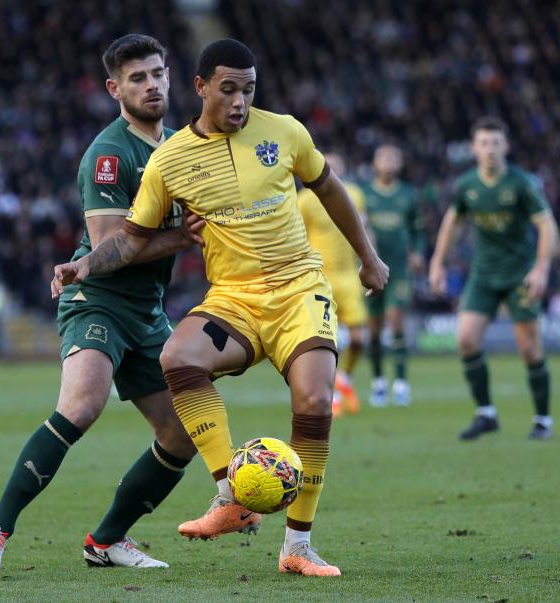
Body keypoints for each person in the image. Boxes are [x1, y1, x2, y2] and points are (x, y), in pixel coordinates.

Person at [53, 39, 388, 577]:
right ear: (201, 87)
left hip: (300, 290)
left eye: (248, 90)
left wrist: (368, 258)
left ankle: (297, 548)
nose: (239, 101)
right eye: (228, 89)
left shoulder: (284, 131)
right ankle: (229, 495)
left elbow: (330, 188)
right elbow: (133, 238)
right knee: (178, 358)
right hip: (233, 298)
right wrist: (85, 265)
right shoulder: (171, 159)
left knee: (315, 400)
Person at [0, 34, 203, 578]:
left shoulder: (180, 150)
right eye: (137, 77)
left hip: (147, 310)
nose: (150, 84)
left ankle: (107, 541)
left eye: (157, 73)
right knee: (82, 404)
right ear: (114, 88)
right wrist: (182, 238)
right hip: (96, 297)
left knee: (181, 435)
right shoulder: (109, 152)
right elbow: (109, 247)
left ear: (170, 77)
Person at [428, 117, 559, 441]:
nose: (489, 149)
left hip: (519, 275)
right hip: (483, 275)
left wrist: (541, 268)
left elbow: (547, 225)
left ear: (506, 146)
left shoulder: (522, 184)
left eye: (496, 143)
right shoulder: (467, 185)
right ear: (473, 148)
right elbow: (452, 223)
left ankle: (543, 420)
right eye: (484, 143)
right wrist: (437, 263)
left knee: (529, 349)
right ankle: (486, 413)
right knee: (466, 340)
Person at [297, 153, 370, 416]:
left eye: (337, 166)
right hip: (319, 277)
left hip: (349, 275)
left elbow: (364, 229)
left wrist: (369, 259)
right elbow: (297, 238)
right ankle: (333, 395)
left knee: (360, 339)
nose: (332, 170)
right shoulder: (305, 200)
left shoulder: (355, 194)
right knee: (328, 342)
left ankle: (345, 380)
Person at [362, 144, 426, 407]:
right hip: (370, 270)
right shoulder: (364, 194)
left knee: (396, 323)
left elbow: (419, 230)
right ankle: (378, 382)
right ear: (375, 163)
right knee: (374, 330)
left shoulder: (408, 195)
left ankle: (400, 383)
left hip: (398, 270)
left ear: (399, 163)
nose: (389, 161)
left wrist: (419, 252)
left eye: (393, 157)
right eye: (384, 157)